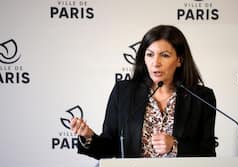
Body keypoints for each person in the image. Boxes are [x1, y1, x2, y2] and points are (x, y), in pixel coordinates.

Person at [70, 25, 217, 159]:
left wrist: (175, 146)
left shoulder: (201, 97)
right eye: (150, 54)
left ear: (179, 60)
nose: (156, 62)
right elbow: (110, 147)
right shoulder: (124, 93)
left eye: (164, 55)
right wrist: (88, 137)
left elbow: (208, 152)